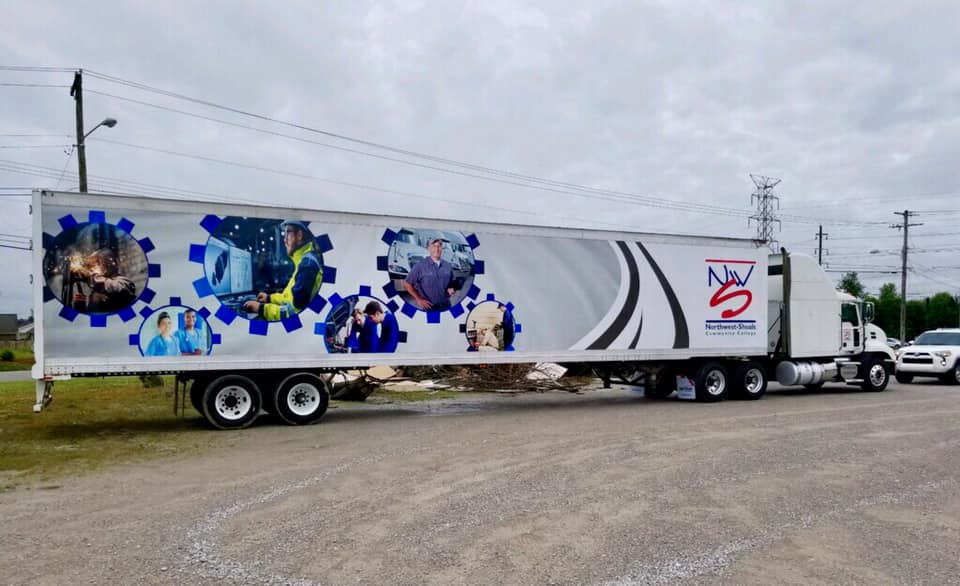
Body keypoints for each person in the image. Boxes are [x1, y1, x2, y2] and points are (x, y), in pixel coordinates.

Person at [244, 220, 323, 321]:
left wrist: (261, 309)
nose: (284, 240)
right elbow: (289, 298)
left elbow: (293, 313)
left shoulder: (307, 265)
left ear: (299, 235)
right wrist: (269, 298)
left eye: (287, 234)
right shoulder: (303, 261)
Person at [403, 238, 456, 311]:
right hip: (429, 308)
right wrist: (418, 299)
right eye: (434, 246)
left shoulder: (447, 265)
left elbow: (452, 282)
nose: (437, 249)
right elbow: (407, 284)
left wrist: (452, 288)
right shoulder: (420, 266)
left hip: (446, 306)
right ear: (428, 248)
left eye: (439, 246)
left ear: (442, 248)